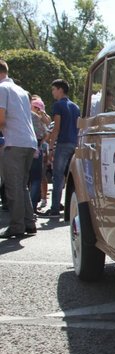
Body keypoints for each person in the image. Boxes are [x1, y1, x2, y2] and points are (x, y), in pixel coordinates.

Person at [0, 59, 38, 238]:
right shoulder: (21, 90)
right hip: (28, 142)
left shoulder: (2, 89)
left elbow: (1, 119)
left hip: (14, 142)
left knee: (13, 187)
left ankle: (17, 226)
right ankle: (29, 223)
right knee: (22, 186)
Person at [40, 79, 80, 218]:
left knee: (57, 177)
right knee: (72, 177)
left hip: (62, 144)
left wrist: (51, 148)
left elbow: (56, 128)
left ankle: (55, 209)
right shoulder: (75, 107)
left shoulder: (58, 105)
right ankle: (70, 208)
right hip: (74, 143)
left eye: (53, 89)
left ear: (60, 90)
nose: (52, 92)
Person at [29, 96, 49, 212]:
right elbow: (46, 134)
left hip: (24, 147)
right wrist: (40, 144)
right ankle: (32, 206)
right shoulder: (38, 118)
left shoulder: (25, 116)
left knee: (27, 179)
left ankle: (26, 206)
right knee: (36, 178)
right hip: (37, 148)